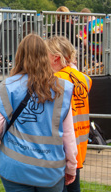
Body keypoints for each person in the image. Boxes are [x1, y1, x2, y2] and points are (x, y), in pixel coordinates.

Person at [0, 34, 77, 192]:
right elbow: (69, 134)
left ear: (19, 55)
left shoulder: (7, 86)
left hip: (15, 166)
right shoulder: (62, 88)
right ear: (45, 55)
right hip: (50, 169)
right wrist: (71, 166)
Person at [46, 35, 92, 192]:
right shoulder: (84, 79)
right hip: (79, 148)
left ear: (56, 58)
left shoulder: (55, 80)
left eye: (46, 56)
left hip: (61, 149)